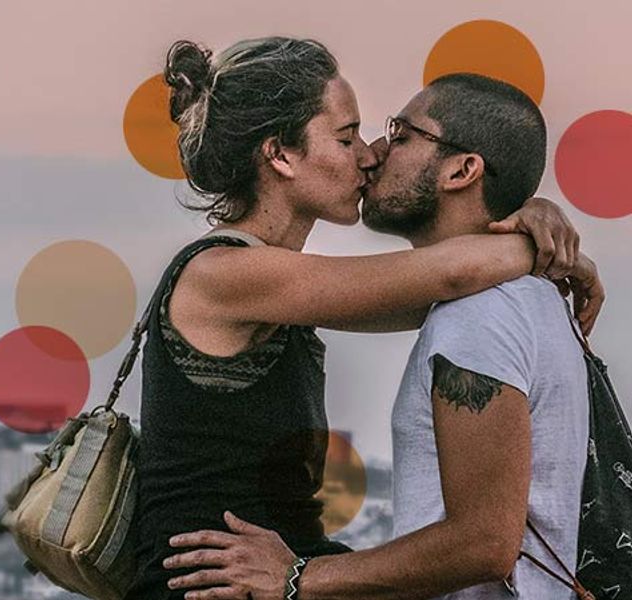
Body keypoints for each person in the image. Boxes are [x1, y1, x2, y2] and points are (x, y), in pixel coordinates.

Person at [125, 37, 601, 600]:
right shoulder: (222, 274)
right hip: (207, 584)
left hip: (268, 575)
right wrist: (548, 247)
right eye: (346, 137)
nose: (369, 155)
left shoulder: (292, 289)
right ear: (281, 155)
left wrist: (532, 211)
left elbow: (439, 289)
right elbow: (450, 276)